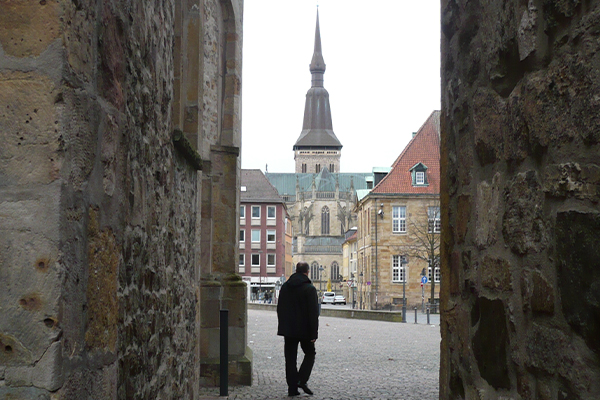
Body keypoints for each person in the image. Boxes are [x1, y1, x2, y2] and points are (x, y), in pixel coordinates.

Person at [277, 262, 319, 396]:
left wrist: (283, 325)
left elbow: (280, 308)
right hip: (305, 330)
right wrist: (314, 333)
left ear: (296, 271)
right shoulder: (309, 289)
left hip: (289, 329)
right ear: (307, 272)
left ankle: (292, 388)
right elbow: (313, 313)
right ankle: (301, 379)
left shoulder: (285, 287)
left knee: (290, 359)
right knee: (310, 354)